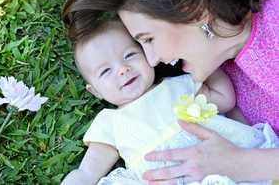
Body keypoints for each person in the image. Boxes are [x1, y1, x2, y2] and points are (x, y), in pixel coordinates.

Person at [62, 0, 279, 183]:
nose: (152, 59)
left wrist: (240, 163)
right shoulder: (221, 71)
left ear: (191, 10)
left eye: (148, 39)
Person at [60, 16, 278, 185]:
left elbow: (224, 100)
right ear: (95, 91)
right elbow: (88, 171)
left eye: (129, 56)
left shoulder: (180, 85)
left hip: (219, 161)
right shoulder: (110, 122)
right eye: (106, 71)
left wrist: (205, 68)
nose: (123, 70)